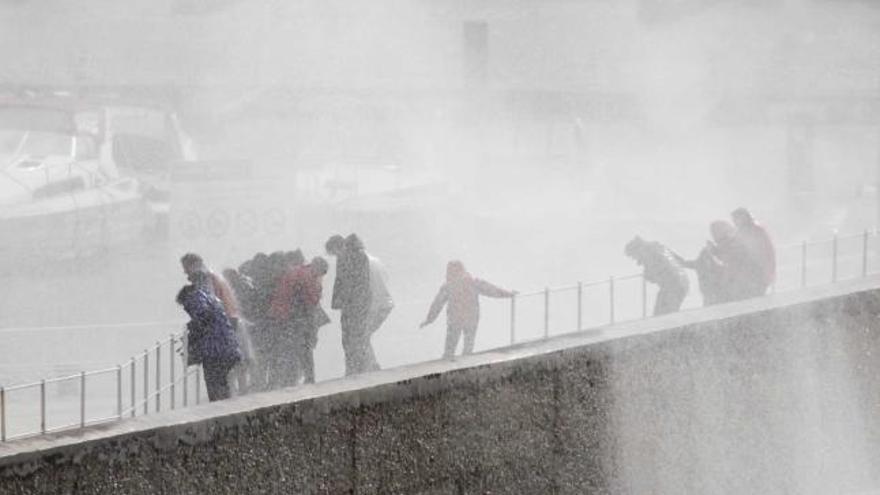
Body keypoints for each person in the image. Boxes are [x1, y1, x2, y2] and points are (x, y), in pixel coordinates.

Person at [419, 260, 516, 358]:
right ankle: (466, 364)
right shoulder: (473, 282)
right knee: (468, 349)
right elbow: (492, 290)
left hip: (455, 320)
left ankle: (448, 365)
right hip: (471, 319)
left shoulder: (448, 286)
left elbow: (437, 304)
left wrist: (429, 319)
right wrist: (509, 294)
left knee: (449, 350)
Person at [176, 284, 241, 402]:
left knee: (214, 385)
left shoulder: (195, 298)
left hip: (215, 352)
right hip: (227, 348)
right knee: (222, 383)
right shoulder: (210, 298)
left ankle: (219, 409)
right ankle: (225, 408)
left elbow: (203, 317)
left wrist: (191, 336)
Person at [271, 257, 330, 385]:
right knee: (304, 348)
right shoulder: (307, 276)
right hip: (294, 317)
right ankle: (306, 377)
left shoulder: (299, 271)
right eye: (321, 274)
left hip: (284, 315)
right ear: (317, 268)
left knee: (291, 347)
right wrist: (311, 325)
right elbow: (311, 301)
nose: (320, 277)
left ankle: (288, 379)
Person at [329, 234, 374, 375]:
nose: (335, 255)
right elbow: (364, 281)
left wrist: (338, 301)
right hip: (362, 302)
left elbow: (341, 281)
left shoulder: (344, 258)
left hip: (351, 304)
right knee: (360, 336)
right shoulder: (363, 256)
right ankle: (362, 368)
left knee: (349, 338)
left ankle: (352, 369)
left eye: (334, 251)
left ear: (340, 246)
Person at [624, 236, 689, 316]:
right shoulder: (659, 246)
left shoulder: (647, 253)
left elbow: (651, 276)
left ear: (638, 250)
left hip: (672, 286)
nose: (635, 259)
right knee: (664, 314)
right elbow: (681, 260)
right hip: (682, 282)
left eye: (633, 256)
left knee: (662, 316)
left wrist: (647, 274)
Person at [709, 220, 765, 301]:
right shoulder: (730, 242)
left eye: (715, 233)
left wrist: (714, 251)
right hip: (740, 280)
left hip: (744, 280)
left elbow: (731, 257)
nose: (714, 236)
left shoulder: (733, 242)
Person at [732, 207, 776, 294]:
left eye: (736, 219)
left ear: (744, 217)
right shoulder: (745, 230)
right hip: (753, 273)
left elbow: (763, 252)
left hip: (756, 272)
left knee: (754, 296)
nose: (734, 222)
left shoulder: (754, 230)